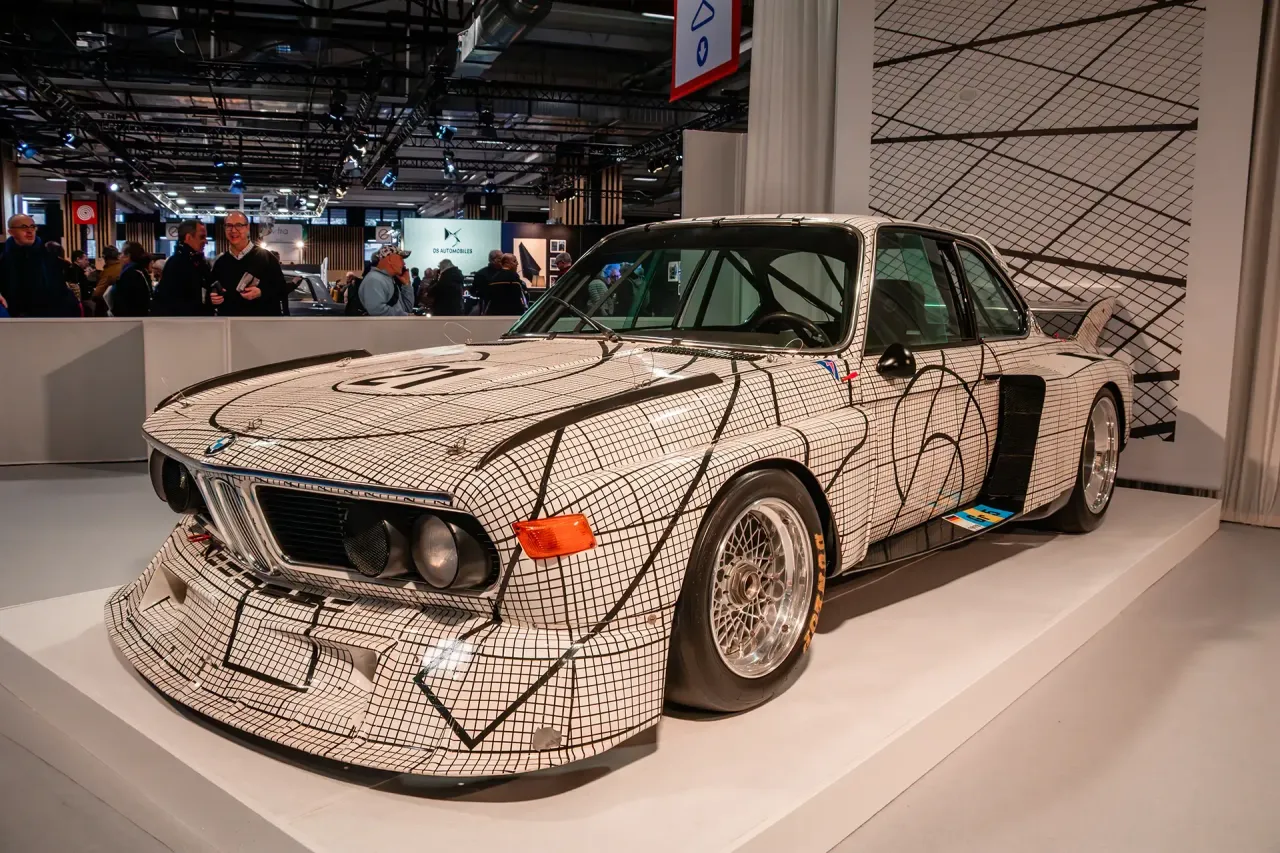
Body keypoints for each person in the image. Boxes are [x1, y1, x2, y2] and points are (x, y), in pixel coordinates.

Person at [0, 214, 80, 317]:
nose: (29, 231)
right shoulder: (4, 257)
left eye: (32, 227)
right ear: (11, 232)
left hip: (49, 315)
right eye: (23, 227)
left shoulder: (48, 255)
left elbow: (59, 288)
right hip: (13, 316)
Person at [210, 211, 287, 316]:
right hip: (231, 323)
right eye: (229, 226)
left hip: (261, 322)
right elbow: (212, 290)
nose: (233, 230)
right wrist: (214, 298)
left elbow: (282, 289)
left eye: (239, 225)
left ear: (247, 227)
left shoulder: (266, 258)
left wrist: (261, 292)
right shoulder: (220, 263)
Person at [152, 220, 212, 315]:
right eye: (202, 237)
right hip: (185, 321)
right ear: (188, 237)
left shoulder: (199, 262)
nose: (206, 241)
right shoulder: (176, 264)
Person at [358, 244, 414, 316]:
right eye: (401, 259)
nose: (403, 263)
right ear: (390, 259)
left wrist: (406, 285)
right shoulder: (374, 280)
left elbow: (407, 309)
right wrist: (404, 315)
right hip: (387, 324)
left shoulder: (388, 279)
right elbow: (377, 311)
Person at [111, 242, 155, 317]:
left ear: (128, 256)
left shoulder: (130, 274)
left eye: (121, 253)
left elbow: (125, 300)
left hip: (130, 318)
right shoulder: (141, 270)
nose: (119, 257)